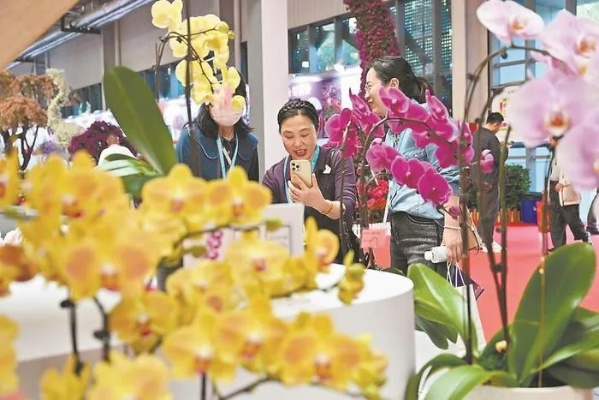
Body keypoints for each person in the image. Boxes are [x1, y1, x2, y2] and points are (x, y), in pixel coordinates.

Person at [364, 56, 461, 277]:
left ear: (393, 86)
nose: (366, 95)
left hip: (424, 228)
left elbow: (451, 174)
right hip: (399, 229)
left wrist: (452, 227)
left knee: (425, 306)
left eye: (370, 86)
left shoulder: (426, 117)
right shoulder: (390, 132)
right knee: (405, 304)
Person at [262, 99, 357, 263]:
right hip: (294, 265)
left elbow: (346, 207)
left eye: (305, 134)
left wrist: (320, 204)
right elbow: (266, 223)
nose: (298, 143)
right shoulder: (274, 176)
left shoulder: (337, 159)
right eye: (289, 136)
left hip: (336, 262)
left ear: (318, 128)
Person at [176, 72, 259, 181]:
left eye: (234, 97)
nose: (228, 104)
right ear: (207, 102)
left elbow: (252, 190)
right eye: (222, 99)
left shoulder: (249, 143)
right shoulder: (190, 139)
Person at [547, 137, 591, 250]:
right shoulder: (554, 153)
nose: (549, 141)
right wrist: (547, 188)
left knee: (572, 219)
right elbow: (552, 172)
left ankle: (585, 235)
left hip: (566, 190)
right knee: (555, 220)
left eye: (551, 139)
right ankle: (559, 246)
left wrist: (562, 182)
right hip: (554, 187)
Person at [470, 112, 504, 253]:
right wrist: (505, 149)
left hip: (476, 178)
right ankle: (486, 241)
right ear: (496, 124)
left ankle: (480, 239)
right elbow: (499, 158)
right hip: (489, 179)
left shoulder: (474, 136)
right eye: (499, 126)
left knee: (483, 210)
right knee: (489, 211)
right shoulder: (492, 138)